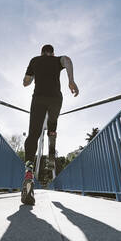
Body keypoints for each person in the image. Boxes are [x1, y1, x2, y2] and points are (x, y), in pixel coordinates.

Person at [21, 44, 79, 205]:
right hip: (55, 99)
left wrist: (29, 78)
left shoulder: (35, 60)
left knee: (33, 134)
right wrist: (71, 81)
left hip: (38, 98)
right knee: (52, 123)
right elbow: (67, 59)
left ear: (41, 52)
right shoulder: (56, 60)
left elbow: (26, 82)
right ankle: (52, 150)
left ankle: (28, 172)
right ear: (52, 53)